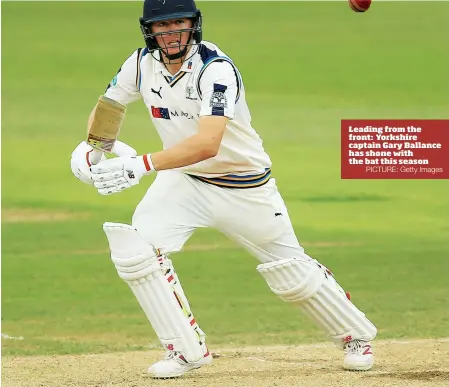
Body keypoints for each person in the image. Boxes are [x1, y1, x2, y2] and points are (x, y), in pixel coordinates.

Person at [70, 0, 377, 379]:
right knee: (136, 251)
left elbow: (207, 143)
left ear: (194, 25)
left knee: (291, 274)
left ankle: (356, 337)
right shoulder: (140, 64)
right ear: (148, 30)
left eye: (179, 23)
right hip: (184, 182)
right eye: (162, 26)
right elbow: (110, 105)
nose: (171, 33)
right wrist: (95, 145)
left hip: (244, 185)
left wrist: (141, 165)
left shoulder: (216, 70)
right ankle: (185, 351)